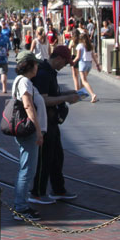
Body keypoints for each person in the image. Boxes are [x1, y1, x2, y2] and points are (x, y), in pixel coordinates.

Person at [28, 46, 81, 205]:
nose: (65, 65)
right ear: (58, 58)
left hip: (52, 121)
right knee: (45, 158)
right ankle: (37, 192)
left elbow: (52, 94)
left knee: (56, 156)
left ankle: (58, 189)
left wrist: (68, 94)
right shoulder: (43, 74)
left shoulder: (50, 72)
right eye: (65, 62)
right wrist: (65, 99)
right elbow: (43, 100)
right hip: (44, 122)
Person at [11, 51, 45, 222]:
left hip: (29, 132)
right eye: (36, 64)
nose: (38, 67)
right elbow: (28, 106)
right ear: (29, 65)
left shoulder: (23, 81)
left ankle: (21, 205)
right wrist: (38, 131)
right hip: (30, 132)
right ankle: (21, 208)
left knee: (26, 168)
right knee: (27, 169)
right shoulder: (24, 82)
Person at [74, 32, 100, 103]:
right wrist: (97, 64)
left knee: (84, 81)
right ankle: (81, 95)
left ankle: (92, 94)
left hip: (83, 63)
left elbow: (78, 56)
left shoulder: (80, 45)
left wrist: (72, 62)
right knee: (82, 80)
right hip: (89, 64)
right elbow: (93, 55)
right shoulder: (89, 45)